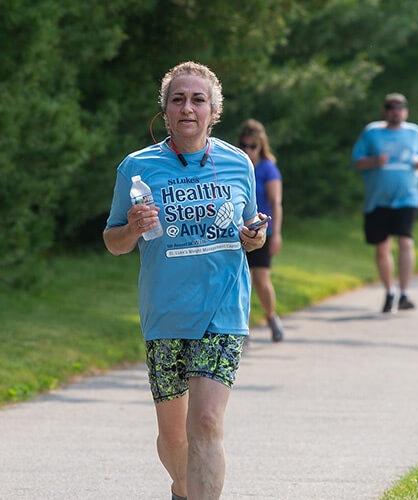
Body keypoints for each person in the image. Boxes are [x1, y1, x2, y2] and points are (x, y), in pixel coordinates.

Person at [103, 61, 267, 500]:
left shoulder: (238, 163)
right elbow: (114, 242)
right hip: (167, 314)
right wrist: (132, 228)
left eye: (198, 100)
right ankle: (183, 489)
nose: (188, 107)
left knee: (207, 425)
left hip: (223, 310)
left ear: (214, 110)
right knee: (175, 438)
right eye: (179, 99)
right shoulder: (137, 168)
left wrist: (255, 237)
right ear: (166, 110)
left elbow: (250, 231)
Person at [352, 93, 418, 313]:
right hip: (378, 199)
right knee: (382, 248)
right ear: (384, 111)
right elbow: (357, 161)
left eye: (399, 108)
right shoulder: (372, 132)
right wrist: (373, 161)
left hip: (407, 197)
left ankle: (405, 293)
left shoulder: (415, 132)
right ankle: (390, 291)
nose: (395, 111)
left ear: (405, 111)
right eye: (391, 107)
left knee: (406, 242)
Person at [239, 119, 285, 342]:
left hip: (262, 232)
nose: (248, 150)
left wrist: (276, 234)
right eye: (244, 145)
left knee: (261, 279)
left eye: (253, 146)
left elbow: (276, 202)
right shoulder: (237, 165)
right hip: (239, 232)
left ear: (261, 145)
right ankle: (243, 328)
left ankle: (271, 316)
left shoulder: (267, 167)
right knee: (241, 280)